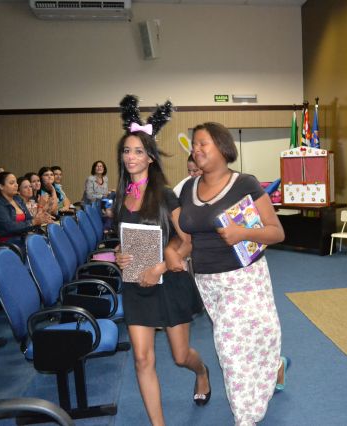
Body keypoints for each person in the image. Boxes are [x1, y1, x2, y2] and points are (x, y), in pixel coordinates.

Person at [178, 122, 288, 426]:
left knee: (229, 349)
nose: (196, 149)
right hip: (207, 282)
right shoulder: (187, 189)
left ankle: (245, 418)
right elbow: (184, 238)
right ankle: (275, 367)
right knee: (246, 344)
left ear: (223, 147)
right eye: (194, 144)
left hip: (245, 278)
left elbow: (277, 232)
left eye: (203, 143)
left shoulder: (244, 184)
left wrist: (242, 232)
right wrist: (172, 254)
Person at [113, 95, 209, 426]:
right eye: (126, 151)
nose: (131, 157)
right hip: (136, 285)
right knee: (142, 359)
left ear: (151, 157)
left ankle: (202, 371)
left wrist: (160, 267)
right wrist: (119, 255)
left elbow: (188, 241)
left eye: (138, 151)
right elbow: (123, 240)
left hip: (169, 282)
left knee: (181, 357)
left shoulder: (167, 195)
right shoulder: (121, 197)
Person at [0, 171, 53, 242]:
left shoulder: (17, 199)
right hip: (6, 241)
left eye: (16, 182)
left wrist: (41, 219)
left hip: (22, 236)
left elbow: (29, 219)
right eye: (12, 183)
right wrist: (34, 222)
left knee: (51, 238)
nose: (16, 185)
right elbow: (9, 227)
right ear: (1, 186)